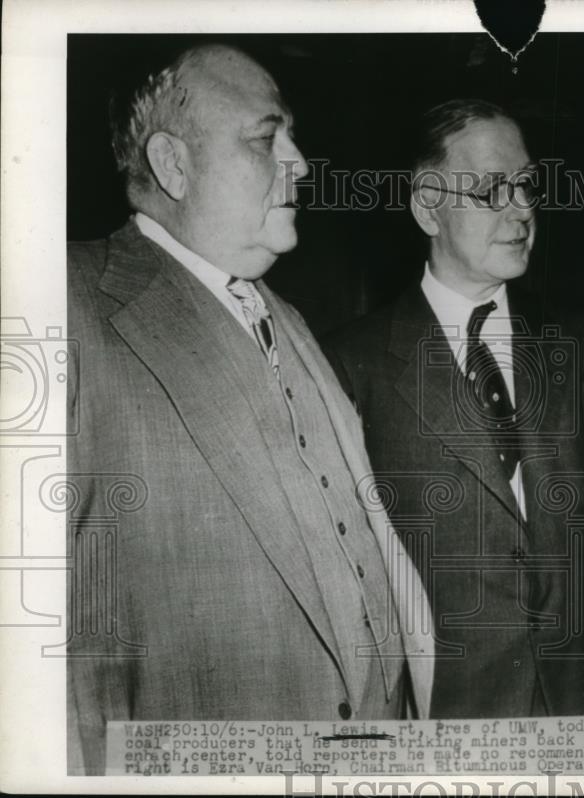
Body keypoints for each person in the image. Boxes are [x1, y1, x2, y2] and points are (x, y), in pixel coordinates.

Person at [66, 44, 433, 775]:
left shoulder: (287, 316)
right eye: (267, 139)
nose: (298, 160)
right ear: (173, 165)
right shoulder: (66, 300)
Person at [324, 99, 584, 717]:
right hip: (448, 719)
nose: (523, 209)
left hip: (579, 710)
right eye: (491, 191)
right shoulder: (353, 364)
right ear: (428, 206)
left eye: (527, 185)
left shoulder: (577, 344)